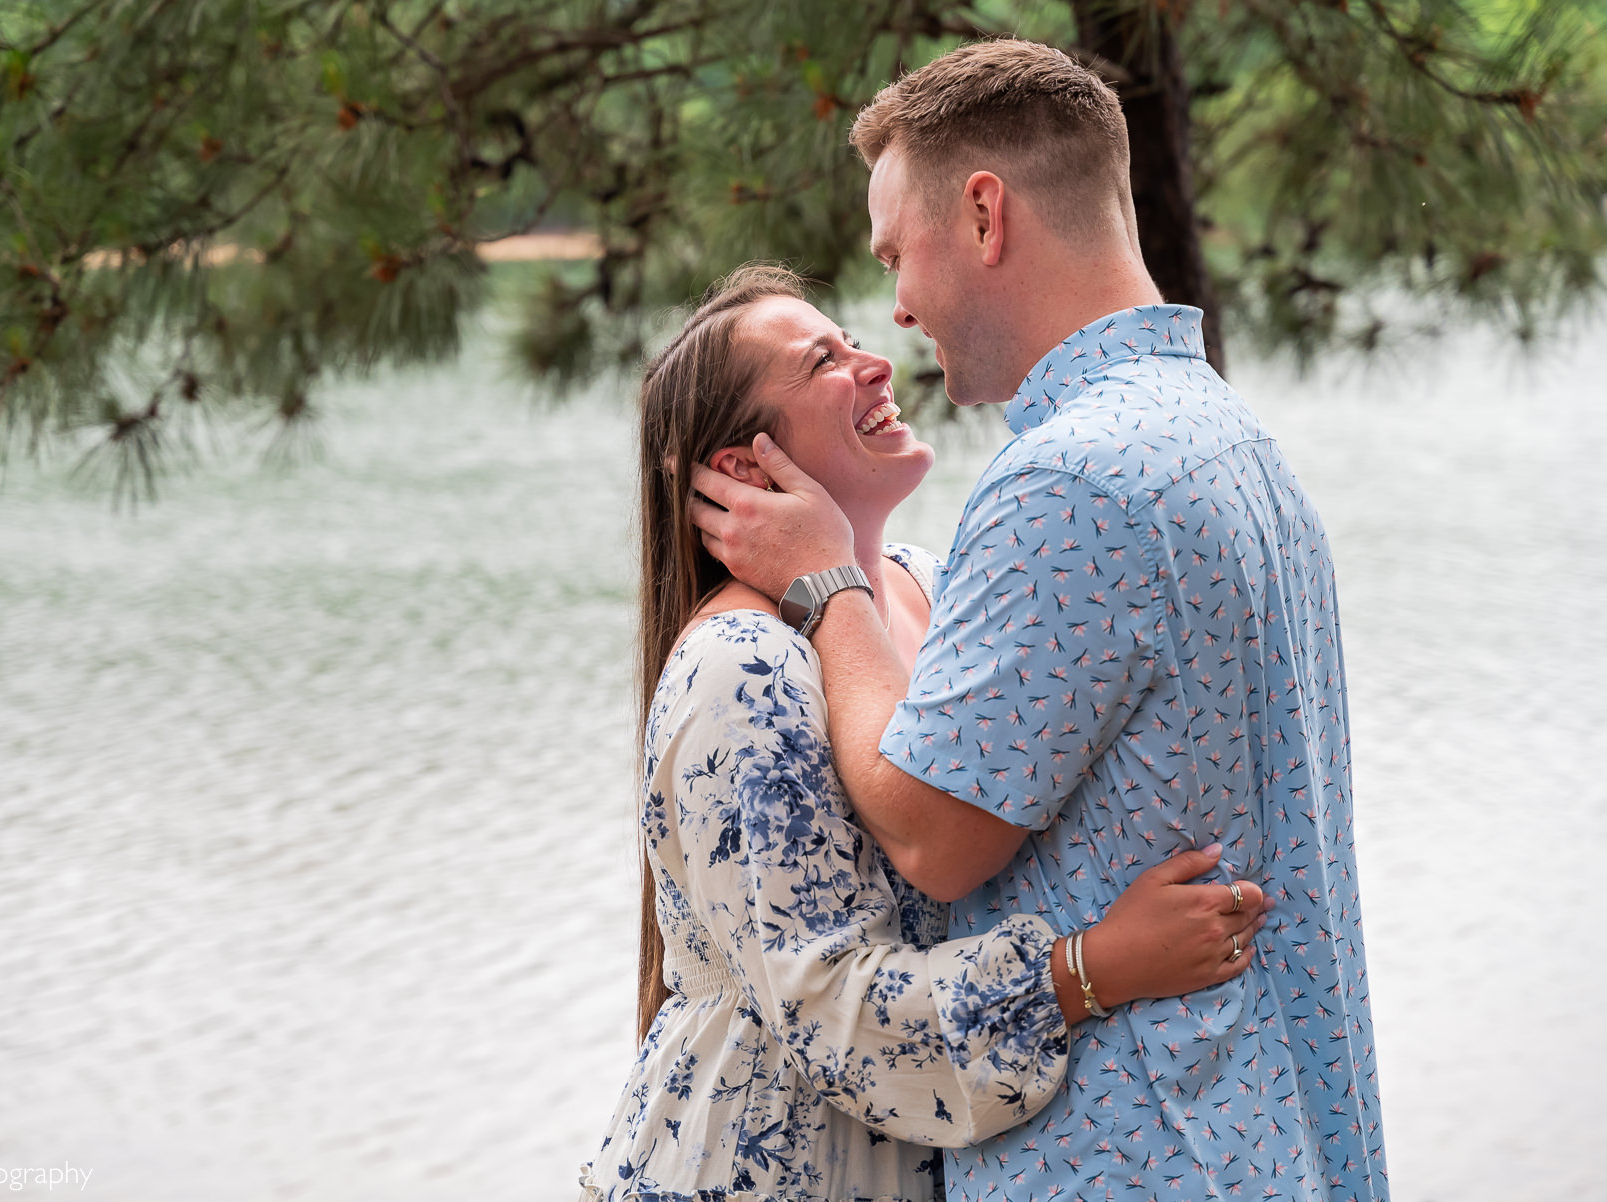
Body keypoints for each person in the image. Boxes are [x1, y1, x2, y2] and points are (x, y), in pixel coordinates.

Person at [688, 39, 1387, 1202]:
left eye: (897, 253)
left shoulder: (1071, 479)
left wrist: (824, 582)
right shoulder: (1229, 438)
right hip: (1280, 1130)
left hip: (1145, 1157)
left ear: (982, 214)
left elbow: (931, 832)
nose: (899, 307)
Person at [581, 263, 1275, 1202]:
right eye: (822, 359)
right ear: (744, 470)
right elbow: (833, 1012)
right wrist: (1094, 967)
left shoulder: (930, 584)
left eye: (854, 338)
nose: (876, 362)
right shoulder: (740, 670)